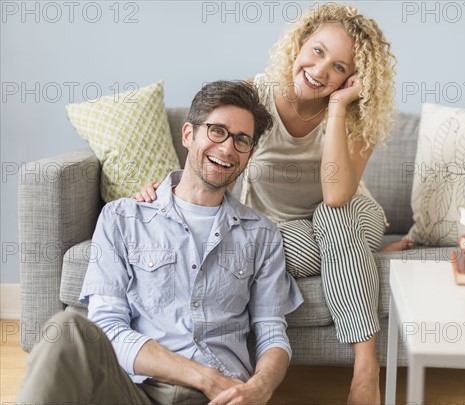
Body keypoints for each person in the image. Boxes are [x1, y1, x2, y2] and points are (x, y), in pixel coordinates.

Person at [136, 4, 399, 404]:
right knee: (260, 253)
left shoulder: (357, 119)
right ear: (299, 44)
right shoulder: (257, 95)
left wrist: (337, 109)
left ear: (354, 78)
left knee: (332, 216)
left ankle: (366, 369)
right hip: (283, 229)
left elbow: (336, 195)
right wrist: (164, 191)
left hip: (350, 214)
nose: (321, 70)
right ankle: (359, 254)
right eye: (317, 51)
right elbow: (216, 150)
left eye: (340, 67)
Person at [17, 80, 303, 404]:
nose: (227, 148)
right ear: (188, 135)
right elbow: (108, 327)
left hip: (219, 397)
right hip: (136, 392)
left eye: (241, 140)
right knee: (68, 328)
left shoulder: (261, 234)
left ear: (249, 154)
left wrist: (260, 387)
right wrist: (203, 377)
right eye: (217, 131)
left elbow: (271, 332)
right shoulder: (122, 218)